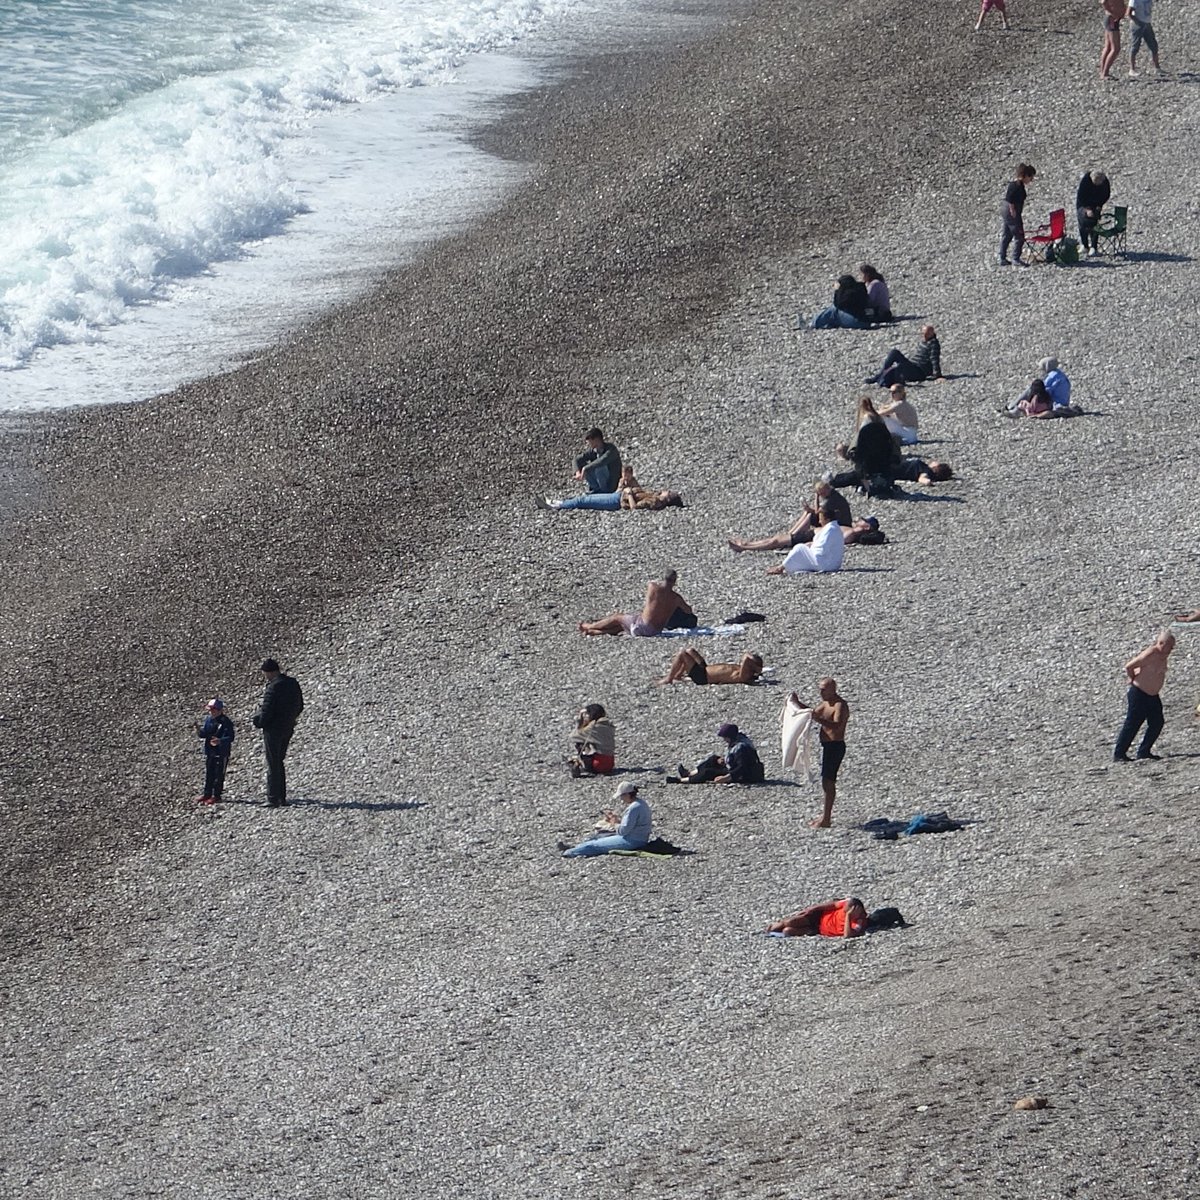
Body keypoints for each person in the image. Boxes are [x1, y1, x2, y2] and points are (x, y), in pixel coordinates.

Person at [728, 480, 852, 553]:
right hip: (815, 532)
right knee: (776, 539)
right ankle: (747, 544)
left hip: (829, 527)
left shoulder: (832, 502)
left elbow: (818, 512)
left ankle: (745, 547)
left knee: (775, 541)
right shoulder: (828, 529)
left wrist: (815, 499)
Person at [790, 680, 849, 827]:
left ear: (832, 690)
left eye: (823, 690)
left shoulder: (839, 705)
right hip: (827, 746)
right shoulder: (826, 703)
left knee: (828, 782)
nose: (820, 693)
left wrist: (820, 720)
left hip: (835, 746)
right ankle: (825, 815)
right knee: (825, 782)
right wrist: (797, 703)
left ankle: (827, 819)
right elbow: (812, 713)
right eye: (820, 690)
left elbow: (837, 726)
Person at [1114, 631, 1175, 761]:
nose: (1171, 650)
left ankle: (1144, 751)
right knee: (1133, 723)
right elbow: (1129, 666)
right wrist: (1133, 679)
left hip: (1152, 696)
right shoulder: (1151, 653)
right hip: (1139, 693)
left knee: (1157, 722)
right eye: (1170, 646)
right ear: (1161, 643)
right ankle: (1119, 753)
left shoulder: (1163, 656)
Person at [578, 569, 693, 637]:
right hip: (655, 631)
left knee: (617, 617)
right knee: (621, 627)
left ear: (664, 578)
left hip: (642, 625)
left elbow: (650, 594)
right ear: (675, 581)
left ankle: (589, 626)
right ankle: (594, 632)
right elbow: (689, 610)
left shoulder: (653, 587)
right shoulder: (676, 598)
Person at [252, 658, 304, 807]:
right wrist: (290, 718)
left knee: (273, 763)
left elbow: (267, 711)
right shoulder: (292, 683)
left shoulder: (273, 687)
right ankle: (281, 797)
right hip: (288, 727)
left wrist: (258, 721)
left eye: (265, 674)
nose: (265, 677)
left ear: (269, 672)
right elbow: (300, 706)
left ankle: (273, 797)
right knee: (279, 761)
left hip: (273, 729)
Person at [561, 781, 652, 857]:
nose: (621, 799)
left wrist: (613, 823)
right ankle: (575, 848)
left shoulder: (633, 808)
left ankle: (569, 853)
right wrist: (616, 821)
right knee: (597, 838)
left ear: (628, 794)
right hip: (639, 838)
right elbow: (632, 825)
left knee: (594, 845)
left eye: (622, 796)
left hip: (633, 840)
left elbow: (623, 831)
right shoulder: (641, 803)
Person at [672, 722, 765, 785]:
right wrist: (724, 760)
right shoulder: (738, 741)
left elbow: (742, 767)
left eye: (725, 737)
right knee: (713, 759)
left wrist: (725, 778)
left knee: (708, 772)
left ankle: (682, 780)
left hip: (745, 775)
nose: (724, 740)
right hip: (736, 768)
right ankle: (689, 773)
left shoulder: (742, 748)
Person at [766, 507, 845, 575]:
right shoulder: (835, 528)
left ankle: (780, 567)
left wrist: (810, 547)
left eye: (821, 519)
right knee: (803, 550)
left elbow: (821, 549)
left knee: (799, 548)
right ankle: (784, 567)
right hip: (833, 564)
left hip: (825, 564)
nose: (819, 522)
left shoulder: (830, 529)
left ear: (827, 519)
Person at [865, 324, 944, 387]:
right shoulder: (925, 341)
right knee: (894, 355)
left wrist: (938, 375)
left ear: (931, 333)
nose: (924, 336)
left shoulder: (933, 344)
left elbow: (935, 360)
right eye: (923, 334)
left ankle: (884, 379)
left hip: (920, 372)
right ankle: (880, 375)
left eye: (926, 334)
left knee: (897, 360)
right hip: (913, 366)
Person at [196, 698, 235, 805]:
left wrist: (220, 741)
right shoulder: (209, 720)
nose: (211, 712)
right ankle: (207, 793)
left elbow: (230, 737)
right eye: (210, 710)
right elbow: (205, 733)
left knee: (218, 775)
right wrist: (199, 731)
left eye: (213, 710)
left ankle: (216, 795)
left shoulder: (225, 722)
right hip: (210, 751)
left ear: (220, 710)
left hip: (221, 752)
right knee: (209, 773)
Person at [767, 898, 869, 938]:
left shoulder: (860, 922)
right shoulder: (847, 902)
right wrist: (812, 909)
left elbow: (848, 935)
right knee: (790, 922)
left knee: (788, 930)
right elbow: (833, 905)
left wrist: (848, 916)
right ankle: (773, 927)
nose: (844, 911)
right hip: (820, 917)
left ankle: (776, 934)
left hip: (820, 930)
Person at [659, 649, 764, 686]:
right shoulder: (741, 668)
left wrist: (751, 658)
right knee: (690, 651)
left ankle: (669, 678)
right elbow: (745, 657)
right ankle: (678, 675)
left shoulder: (744, 675)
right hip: (705, 668)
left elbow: (746, 658)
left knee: (682, 654)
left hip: (702, 677)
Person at [999, 163, 1035, 266]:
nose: (1031, 180)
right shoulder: (1015, 185)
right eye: (1030, 177)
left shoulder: (1018, 185)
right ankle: (1015, 258)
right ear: (1025, 175)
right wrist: (1013, 210)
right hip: (1011, 211)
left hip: (1007, 210)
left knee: (1007, 234)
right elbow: (1010, 198)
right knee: (1019, 235)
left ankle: (1002, 257)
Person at [569, 704, 617, 776]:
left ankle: (581, 765)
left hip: (597, 764)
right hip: (610, 763)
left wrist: (579, 721)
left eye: (586, 714)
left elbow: (573, 736)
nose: (585, 716)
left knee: (580, 744)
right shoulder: (608, 725)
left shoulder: (593, 728)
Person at [573, 427, 623, 494]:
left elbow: (602, 461)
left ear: (596, 439)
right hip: (599, 484)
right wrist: (577, 472)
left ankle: (605, 491)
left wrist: (585, 468)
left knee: (598, 466)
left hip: (612, 485)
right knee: (585, 465)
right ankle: (595, 489)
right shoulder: (593, 451)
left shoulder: (611, 449)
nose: (589, 444)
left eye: (590, 441)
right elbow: (576, 459)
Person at [1076, 170, 1112, 257]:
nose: (1097, 185)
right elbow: (1081, 197)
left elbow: (1106, 195)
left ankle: (1093, 247)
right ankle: (1085, 245)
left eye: (1099, 183)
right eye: (1095, 183)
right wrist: (1087, 209)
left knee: (1094, 223)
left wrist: (1099, 206)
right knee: (1083, 222)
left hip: (1096, 204)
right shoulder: (1085, 181)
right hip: (1083, 204)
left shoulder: (1104, 182)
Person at [1128, 0, 1160, 75]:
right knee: (1135, 46)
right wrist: (1137, 22)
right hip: (1137, 24)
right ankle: (1132, 69)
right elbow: (1129, 13)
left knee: (1153, 45)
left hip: (1147, 23)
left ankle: (1157, 67)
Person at [1100, 0, 1125, 79]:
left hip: (1113, 18)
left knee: (1108, 47)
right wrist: (1111, 12)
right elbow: (1103, 2)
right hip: (1112, 19)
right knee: (1115, 48)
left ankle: (1102, 72)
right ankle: (1105, 73)